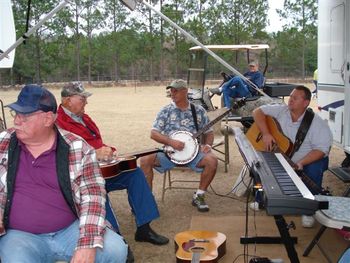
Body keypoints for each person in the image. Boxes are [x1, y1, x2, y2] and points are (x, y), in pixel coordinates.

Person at [0, 85, 128, 262]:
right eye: (16, 114)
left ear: (48, 119)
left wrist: (87, 244)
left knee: (116, 250)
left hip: (70, 229)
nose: (17, 121)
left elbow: (93, 196)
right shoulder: (4, 142)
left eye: (25, 115)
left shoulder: (77, 147)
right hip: (20, 236)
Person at [55, 82, 169, 246]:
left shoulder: (84, 118)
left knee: (135, 174)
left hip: (100, 169)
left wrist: (109, 151)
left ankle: (144, 228)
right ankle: (117, 241)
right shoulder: (57, 123)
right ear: (67, 101)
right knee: (98, 189)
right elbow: (61, 155)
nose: (86, 102)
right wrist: (94, 154)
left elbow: (97, 143)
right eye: (82, 98)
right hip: (81, 178)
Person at [252, 85, 333, 227]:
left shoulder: (317, 124)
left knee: (313, 169)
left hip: (309, 160)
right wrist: (266, 133)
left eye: (295, 98)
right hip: (283, 156)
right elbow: (257, 112)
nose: (290, 100)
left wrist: (302, 162)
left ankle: (308, 210)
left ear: (306, 103)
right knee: (260, 165)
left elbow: (321, 150)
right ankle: (261, 199)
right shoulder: (282, 110)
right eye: (291, 96)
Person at [140, 79, 218, 212]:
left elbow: (209, 133)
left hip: (194, 154)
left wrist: (208, 145)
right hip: (169, 153)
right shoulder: (166, 110)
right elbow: (153, 134)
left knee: (212, 160)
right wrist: (171, 142)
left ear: (185, 91)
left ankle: (199, 195)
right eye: (171, 91)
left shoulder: (198, 110)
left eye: (176, 91)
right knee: (145, 159)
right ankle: (147, 199)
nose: (172, 93)